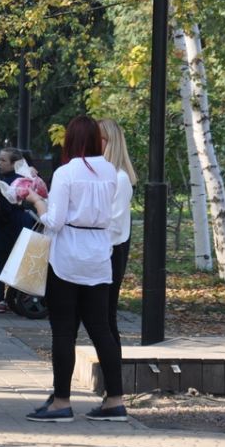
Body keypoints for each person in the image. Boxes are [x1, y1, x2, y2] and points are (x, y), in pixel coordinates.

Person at [22, 116, 126, 423]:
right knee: (101, 329)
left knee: (64, 330)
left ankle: (61, 402)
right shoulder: (110, 171)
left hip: (67, 256)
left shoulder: (66, 172)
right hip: (99, 254)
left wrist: (37, 201)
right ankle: (115, 400)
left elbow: (54, 221)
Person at [98, 118, 137, 347]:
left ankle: (113, 363)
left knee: (106, 316)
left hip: (111, 251)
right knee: (99, 317)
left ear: (110, 142)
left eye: (98, 139)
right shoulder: (103, 175)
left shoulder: (120, 178)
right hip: (101, 249)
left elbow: (114, 224)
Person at [0, 147, 31, 313]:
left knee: (1, 263)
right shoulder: (12, 179)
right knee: (12, 263)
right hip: (13, 227)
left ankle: (0, 299)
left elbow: (9, 206)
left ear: (14, 163)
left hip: (9, 228)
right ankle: (15, 298)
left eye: (3, 160)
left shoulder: (15, 182)